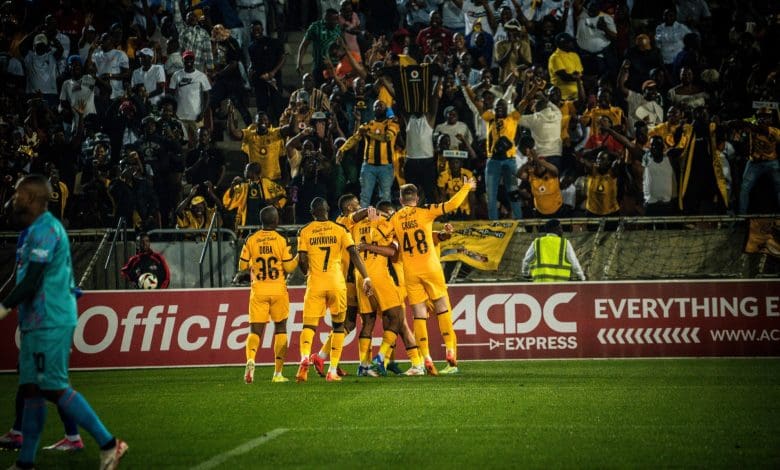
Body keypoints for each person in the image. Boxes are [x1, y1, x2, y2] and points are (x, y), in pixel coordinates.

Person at [0, 175, 127, 469]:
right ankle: (25, 462)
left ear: (32, 198)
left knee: (54, 387)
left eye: (19, 194)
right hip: (34, 319)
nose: (14, 199)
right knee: (31, 389)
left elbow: (32, 280)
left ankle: (109, 443)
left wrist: (4, 307)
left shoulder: (46, 230)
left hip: (51, 318)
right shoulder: (33, 230)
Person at [388, 177, 475, 375]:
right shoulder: (426, 211)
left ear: (401, 200)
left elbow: (385, 234)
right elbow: (452, 204)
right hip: (431, 267)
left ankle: (425, 357)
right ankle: (451, 354)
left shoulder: (394, 219)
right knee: (443, 308)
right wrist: (466, 187)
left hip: (410, 271)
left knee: (418, 315)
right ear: (416, 198)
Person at [295, 197, 373, 382]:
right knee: (339, 326)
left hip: (315, 283)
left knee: (308, 326)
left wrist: (307, 271)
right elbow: (354, 253)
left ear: (312, 212)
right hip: (337, 283)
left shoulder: (304, 231)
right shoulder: (340, 229)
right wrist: (366, 277)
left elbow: (302, 260)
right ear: (328, 209)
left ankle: (305, 356)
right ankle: (332, 370)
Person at [235, 206, 298, 384]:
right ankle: (277, 373)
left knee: (255, 331)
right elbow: (288, 268)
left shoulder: (251, 239)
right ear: (276, 221)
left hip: (259, 289)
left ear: (261, 221)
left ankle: (251, 360)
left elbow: (242, 267)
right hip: (278, 289)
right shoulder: (281, 239)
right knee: (280, 328)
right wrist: (298, 258)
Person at [336, 100, 399, 208]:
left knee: (385, 196)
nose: (378, 108)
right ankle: (363, 222)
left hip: (386, 166)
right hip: (369, 166)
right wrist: (342, 149)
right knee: (365, 196)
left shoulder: (391, 124)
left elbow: (387, 138)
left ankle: (386, 221)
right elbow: (354, 138)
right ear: (373, 109)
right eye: (376, 106)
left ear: (386, 109)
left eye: (381, 106)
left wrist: (369, 133)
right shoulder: (367, 125)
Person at [222, 162, 287, 229]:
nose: (244, 172)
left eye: (246, 170)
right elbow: (229, 200)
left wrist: (273, 200)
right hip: (247, 223)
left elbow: (283, 194)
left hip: (264, 223)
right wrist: (233, 186)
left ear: (253, 172)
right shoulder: (243, 186)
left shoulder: (266, 183)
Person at [521, 218, 586, 282]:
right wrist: (582, 277)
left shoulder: (537, 242)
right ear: (555, 229)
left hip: (540, 283)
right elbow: (574, 262)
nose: (562, 231)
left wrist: (525, 273)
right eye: (560, 228)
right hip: (560, 283)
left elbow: (526, 260)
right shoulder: (565, 243)